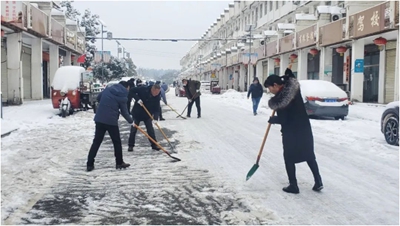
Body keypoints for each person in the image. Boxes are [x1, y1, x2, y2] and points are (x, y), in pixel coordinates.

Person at [264, 66, 323, 194]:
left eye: (269, 88)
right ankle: (318, 181)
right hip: (304, 129)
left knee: (289, 158)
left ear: (275, 85)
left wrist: (273, 120)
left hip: (291, 133)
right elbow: (290, 79)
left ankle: (293, 185)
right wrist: (288, 76)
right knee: (309, 155)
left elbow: (285, 120)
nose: (269, 91)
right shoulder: (294, 91)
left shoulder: (280, 101)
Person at [86, 81, 133, 172]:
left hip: (99, 119)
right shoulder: (123, 95)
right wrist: (131, 121)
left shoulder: (108, 89)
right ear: (127, 87)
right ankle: (119, 163)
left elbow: (99, 98)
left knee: (96, 142)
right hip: (111, 121)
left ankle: (89, 164)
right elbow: (124, 112)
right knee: (117, 142)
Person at [127, 83, 162, 152]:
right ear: (152, 89)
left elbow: (157, 108)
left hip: (147, 114)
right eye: (156, 92)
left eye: (158, 93)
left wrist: (155, 118)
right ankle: (131, 145)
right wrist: (137, 99)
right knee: (133, 130)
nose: (157, 94)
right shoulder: (143, 89)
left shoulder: (157, 96)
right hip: (137, 113)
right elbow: (131, 91)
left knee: (150, 130)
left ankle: (154, 145)